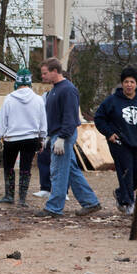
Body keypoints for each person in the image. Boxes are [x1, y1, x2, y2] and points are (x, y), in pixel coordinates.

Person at [38, 58, 102, 218]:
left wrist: (62, 137)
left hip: (63, 136)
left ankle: (54, 208)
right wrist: (48, 135)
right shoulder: (55, 89)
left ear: (54, 71)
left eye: (45, 73)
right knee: (72, 170)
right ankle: (90, 202)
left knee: (58, 171)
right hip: (57, 134)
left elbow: (70, 116)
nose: (43, 77)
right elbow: (53, 115)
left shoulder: (68, 90)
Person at [0, 68, 46, 207]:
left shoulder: (9, 99)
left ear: (16, 82)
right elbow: (42, 121)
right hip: (31, 138)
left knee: (9, 166)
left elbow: (3, 119)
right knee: (25, 167)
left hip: (12, 139)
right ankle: (22, 198)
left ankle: (9, 195)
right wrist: (42, 138)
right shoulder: (38, 99)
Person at [93, 65, 137, 214]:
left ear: (136, 84)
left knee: (136, 173)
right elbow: (99, 118)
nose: (129, 85)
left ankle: (121, 194)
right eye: (126, 81)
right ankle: (129, 204)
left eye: (132, 82)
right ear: (122, 83)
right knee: (126, 172)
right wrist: (109, 133)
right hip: (120, 142)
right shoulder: (112, 101)